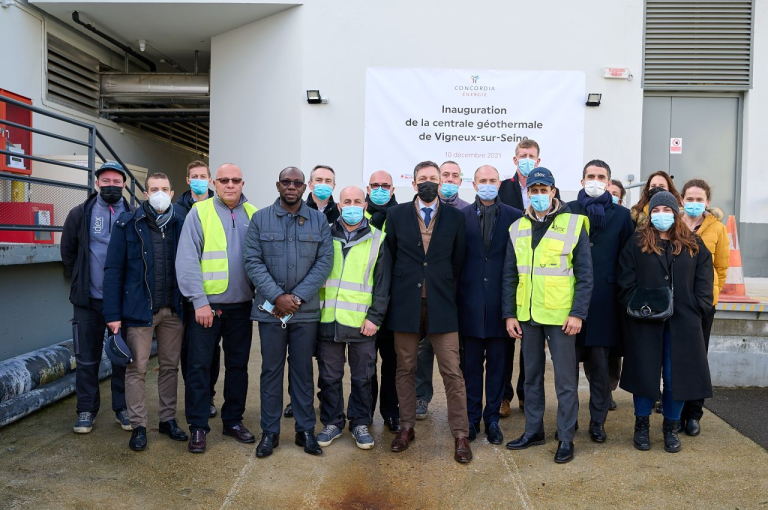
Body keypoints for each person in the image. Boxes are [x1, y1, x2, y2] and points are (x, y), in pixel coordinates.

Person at [502, 167, 593, 464]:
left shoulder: (575, 224)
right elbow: (509, 276)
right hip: (527, 316)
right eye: (534, 190)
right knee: (531, 378)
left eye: (545, 189)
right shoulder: (517, 228)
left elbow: (584, 274)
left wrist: (578, 313)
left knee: (565, 382)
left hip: (561, 318)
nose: (539, 195)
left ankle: (566, 437)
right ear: (527, 192)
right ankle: (533, 430)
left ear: (554, 192)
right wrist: (510, 314)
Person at [385, 161, 472, 464]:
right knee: (405, 368)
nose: (428, 184)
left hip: (442, 304)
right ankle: (406, 427)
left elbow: (458, 260)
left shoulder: (456, 218)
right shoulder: (396, 216)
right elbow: (391, 257)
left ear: (440, 182)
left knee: (452, 371)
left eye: (433, 179)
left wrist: (443, 287)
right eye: (423, 179)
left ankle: (461, 434)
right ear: (414, 183)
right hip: (405, 305)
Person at [244, 166, 333, 458]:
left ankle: (305, 430)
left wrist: (295, 297)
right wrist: (277, 297)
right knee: (271, 371)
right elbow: (253, 262)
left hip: (304, 313)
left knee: (303, 371)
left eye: (297, 182)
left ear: (304, 186)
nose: (291, 186)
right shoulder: (260, 219)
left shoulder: (319, 221)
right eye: (286, 182)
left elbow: (324, 263)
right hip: (271, 313)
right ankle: (270, 432)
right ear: (278, 185)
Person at [618, 190, 714, 453]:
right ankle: (641, 425)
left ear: (676, 212)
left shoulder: (694, 244)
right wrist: (636, 305)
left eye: (667, 210)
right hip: (646, 320)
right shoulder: (636, 242)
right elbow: (625, 281)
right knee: (645, 374)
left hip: (683, 323)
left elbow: (705, 282)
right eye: (657, 210)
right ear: (651, 214)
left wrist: (697, 307)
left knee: (676, 377)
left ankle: (670, 428)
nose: (662, 215)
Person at [176, 163, 258, 454]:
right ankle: (198, 427)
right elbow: (187, 261)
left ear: (242, 182)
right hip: (206, 308)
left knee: (238, 368)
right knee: (199, 368)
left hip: (242, 308)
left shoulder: (253, 214)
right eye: (223, 180)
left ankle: (233, 420)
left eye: (236, 180)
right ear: (214, 182)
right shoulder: (199, 213)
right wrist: (199, 301)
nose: (230, 185)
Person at [103, 172, 188, 451]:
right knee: (136, 369)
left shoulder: (182, 221)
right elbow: (113, 271)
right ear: (145, 193)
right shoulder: (127, 224)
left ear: (172, 192)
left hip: (173, 310)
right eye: (154, 189)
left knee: (169, 368)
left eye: (164, 188)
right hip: (140, 311)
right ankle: (139, 425)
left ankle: (167, 420)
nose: (159, 193)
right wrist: (113, 315)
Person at [315, 186, 391, 450]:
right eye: (347, 201)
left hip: (362, 324)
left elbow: (383, 285)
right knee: (329, 377)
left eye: (357, 201)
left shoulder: (378, 239)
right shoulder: (323, 233)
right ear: (339, 202)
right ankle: (332, 422)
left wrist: (375, 318)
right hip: (328, 321)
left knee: (363, 377)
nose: (352, 205)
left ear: (365, 204)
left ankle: (360, 422)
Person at [61, 161, 132, 434]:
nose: (111, 186)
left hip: (123, 303)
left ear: (124, 184)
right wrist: (81, 279)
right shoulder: (80, 214)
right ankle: (86, 410)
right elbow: (68, 251)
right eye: (106, 181)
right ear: (97, 184)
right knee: (87, 358)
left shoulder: (134, 214)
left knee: (122, 358)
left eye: (116, 182)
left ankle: (122, 408)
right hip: (89, 301)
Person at [568, 160, 634, 443]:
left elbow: (627, 260)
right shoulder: (568, 210)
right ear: (582, 180)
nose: (595, 180)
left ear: (609, 182)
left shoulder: (621, 216)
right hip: (569, 302)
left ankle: (598, 422)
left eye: (601, 177)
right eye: (590, 176)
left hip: (605, 303)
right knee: (567, 369)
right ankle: (568, 420)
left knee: (599, 368)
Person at [459, 165, 522, 445]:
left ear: (499, 184)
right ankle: (472, 420)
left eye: (492, 180)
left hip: (501, 308)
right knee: (470, 369)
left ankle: (492, 420)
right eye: (482, 180)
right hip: (469, 307)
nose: (487, 184)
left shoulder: (515, 217)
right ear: (473, 185)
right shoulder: (459, 218)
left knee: (499, 368)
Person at [498, 139, 562, 416]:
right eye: (522, 155)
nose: (526, 159)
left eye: (531, 156)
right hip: (512, 270)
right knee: (505, 346)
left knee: (530, 349)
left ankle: (526, 394)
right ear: (515, 160)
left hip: (540, 283)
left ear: (538, 159)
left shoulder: (550, 197)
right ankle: (504, 396)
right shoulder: (504, 188)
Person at [414, 160, 469, 420]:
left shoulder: (464, 213)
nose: (445, 180)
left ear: (459, 180)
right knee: (422, 352)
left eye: (452, 176)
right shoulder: (410, 212)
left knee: (451, 360)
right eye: (443, 175)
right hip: (420, 297)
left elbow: (459, 259)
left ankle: (459, 414)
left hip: (448, 296)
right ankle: (421, 397)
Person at [679, 179, 729, 436]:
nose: (695, 203)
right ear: (682, 199)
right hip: (676, 304)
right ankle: (675, 412)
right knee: (676, 359)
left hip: (702, 306)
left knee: (698, 358)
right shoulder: (673, 225)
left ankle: (694, 413)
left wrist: (711, 296)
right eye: (690, 198)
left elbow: (721, 267)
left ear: (707, 202)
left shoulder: (717, 229)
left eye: (700, 199)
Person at [176, 160, 219, 419]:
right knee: (188, 350)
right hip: (186, 292)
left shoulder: (219, 207)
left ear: (210, 179)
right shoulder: (177, 210)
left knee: (211, 351)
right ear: (188, 180)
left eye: (204, 175)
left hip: (213, 292)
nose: (200, 179)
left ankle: (209, 395)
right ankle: (196, 397)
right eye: (195, 176)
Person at [365, 170, 402, 433]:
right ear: (368, 189)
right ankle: (363, 415)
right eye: (375, 185)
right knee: (365, 367)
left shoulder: (401, 217)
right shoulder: (354, 217)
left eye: (384, 185)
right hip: (362, 308)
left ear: (393, 189)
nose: (380, 189)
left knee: (393, 366)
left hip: (393, 307)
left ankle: (391, 414)